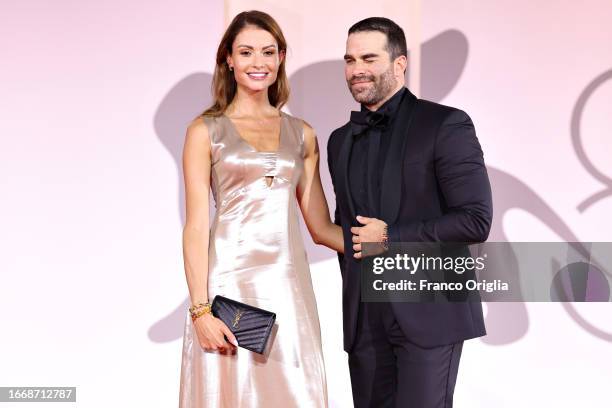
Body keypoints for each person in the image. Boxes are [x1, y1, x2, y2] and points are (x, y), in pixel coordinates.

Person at [178, 10, 343, 408]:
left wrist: (392, 241)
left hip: (288, 289)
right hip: (228, 288)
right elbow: (197, 227)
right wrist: (200, 310)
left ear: (281, 58)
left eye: (268, 52)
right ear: (228, 59)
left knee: (295, 393)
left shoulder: (302, 134)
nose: (258, 63)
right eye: (247, 52)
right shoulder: (205, 131)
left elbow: (320, 227)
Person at [327, 17, 493, 407]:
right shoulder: (338, 141)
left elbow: (475, 219)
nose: (357, 70)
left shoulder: (445, 124)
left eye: (369, 57)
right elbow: (345, 231)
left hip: (430, 313)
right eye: (349, 60)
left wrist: (390, 237)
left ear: (400, 64)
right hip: (365, 320)